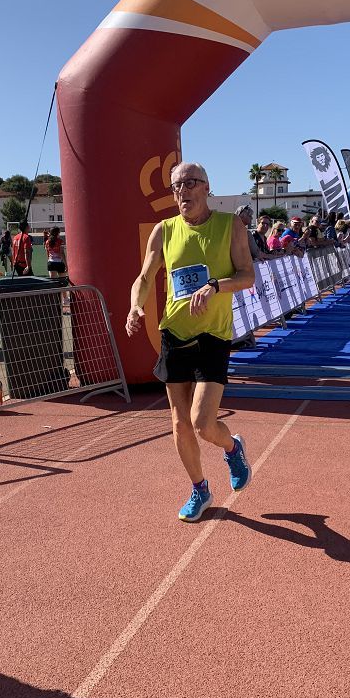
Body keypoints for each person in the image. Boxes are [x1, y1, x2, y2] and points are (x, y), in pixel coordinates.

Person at [125, 162, 255, 523]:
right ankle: (200, 488)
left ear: (206, 187)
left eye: (190, 183)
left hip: (213, 335)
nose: (182, 191)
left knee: (202, 422)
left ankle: (232, 447)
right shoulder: (163, 231)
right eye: (176, 186)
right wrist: (136, 306)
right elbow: (144, 276)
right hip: (175, 334)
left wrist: (215, 286)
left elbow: (247, 276)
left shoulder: (230, 226)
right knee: (180, 423)